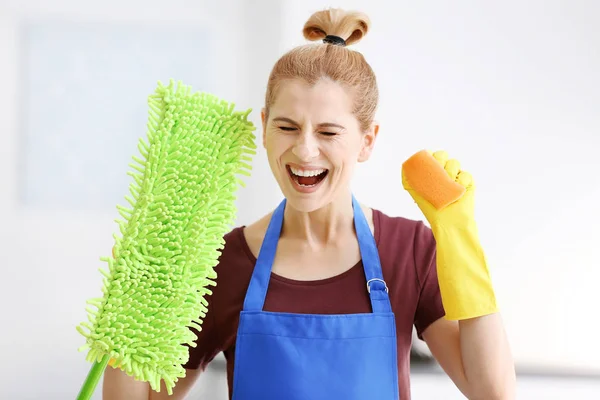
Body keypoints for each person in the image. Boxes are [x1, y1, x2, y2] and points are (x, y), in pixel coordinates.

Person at [102, 8, 516, 400]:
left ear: (367, 141)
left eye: (328, 132)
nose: (304, 150)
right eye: (287, 126)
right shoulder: (224, 261)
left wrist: (459, 238)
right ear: (264, 127)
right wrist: (130, 307)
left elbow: (491, 391)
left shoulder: (408, 252)